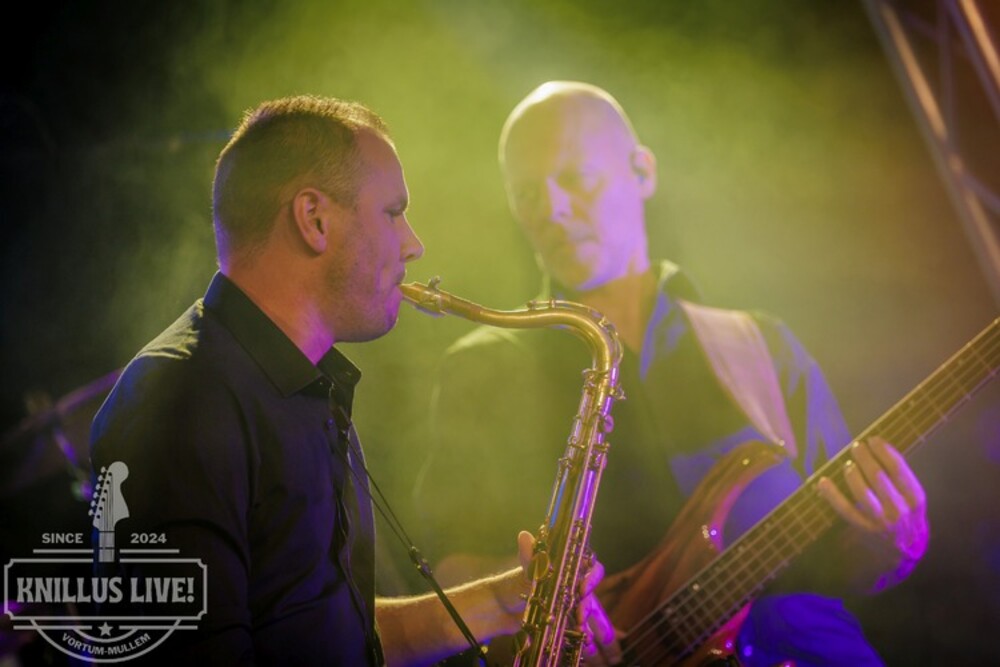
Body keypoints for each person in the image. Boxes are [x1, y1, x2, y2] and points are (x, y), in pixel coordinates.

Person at [413, 81, 929, 666]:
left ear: (643, 171)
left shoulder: (759, 343)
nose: (550, 209)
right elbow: (451, 573)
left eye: (575, 177)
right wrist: (547, 607)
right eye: (527, 193)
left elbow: (851, 559)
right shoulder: (485, 363)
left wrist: (893, 547)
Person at [90, 94, 613, 666]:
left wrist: (497, 603)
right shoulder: (182, 402)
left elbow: (328, 635)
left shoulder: (306, 386)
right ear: (314, 219)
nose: (413, 244)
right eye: (393, 212)